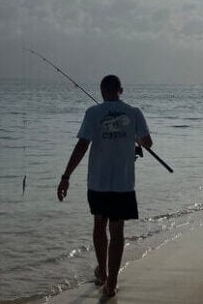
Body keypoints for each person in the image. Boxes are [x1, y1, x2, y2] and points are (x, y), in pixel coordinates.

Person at [57, 75, 152, 298]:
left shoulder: (93, 113)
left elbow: (82, 145)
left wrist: (66, 176)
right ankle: (112, 283)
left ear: (102, 91)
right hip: (123, 184)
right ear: (121, 90)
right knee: (117, 231)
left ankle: (102, 273)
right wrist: (136, 139)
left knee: (99, 225)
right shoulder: (134, 112)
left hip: (98, 183)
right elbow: (147, 142)